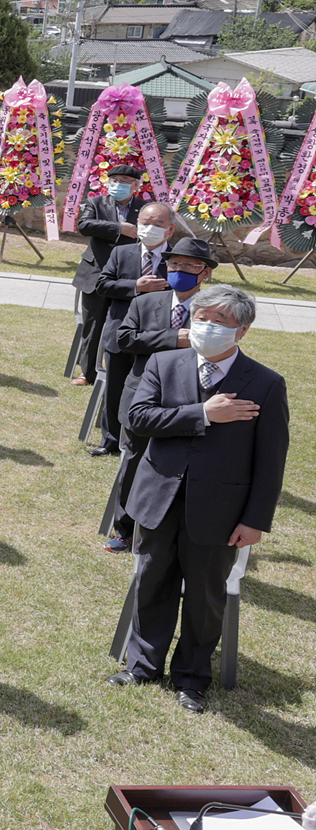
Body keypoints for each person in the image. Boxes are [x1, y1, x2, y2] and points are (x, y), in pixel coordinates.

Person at [111, 285, 287, 714]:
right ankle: (143, 665)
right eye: (202, 317)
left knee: (206, 596)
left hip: (220, 512)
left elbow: (270, 460)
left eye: (219, 322)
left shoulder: (265, 384)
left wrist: (255, 519)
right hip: (160, 498)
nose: (206, 327)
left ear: (242, 331)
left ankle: (191, 677)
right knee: (153, 581)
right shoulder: (164, 362)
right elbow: (138, 418)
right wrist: (204, 414)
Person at [107, 236, 219, 552]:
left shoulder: (214, 311)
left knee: (174, 467)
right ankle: (123, 528)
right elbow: (125, 339)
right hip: (142, 397)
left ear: (205, 273)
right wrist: (172, 339)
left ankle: (166, 528)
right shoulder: (145, 302)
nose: (180, 269)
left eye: (190, 265)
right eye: (174, 264)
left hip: (188, 400)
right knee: (134, 463)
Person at [91, 200, 178, 457]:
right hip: (120, 333)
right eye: (145, 223)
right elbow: (102, 285)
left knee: (148, 391)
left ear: (170, 230)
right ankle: (110, 440)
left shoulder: (178, 260)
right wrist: (135, 286)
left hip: (157, 337)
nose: (150, 228)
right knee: (115, 389)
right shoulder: (121, 253)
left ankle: (141, 441)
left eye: (157, 224)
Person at [70, 164, 149, 386]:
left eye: (124, 181)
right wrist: (118, 228)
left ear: (135, 185)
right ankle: (88, 372)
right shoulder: (96, 202)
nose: (118, 185)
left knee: (122, 325)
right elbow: (84, 225)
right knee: (93, 326)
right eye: (113, 180)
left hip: (127, 276)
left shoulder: (144, 208)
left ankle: (118, 372)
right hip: (95, 273)